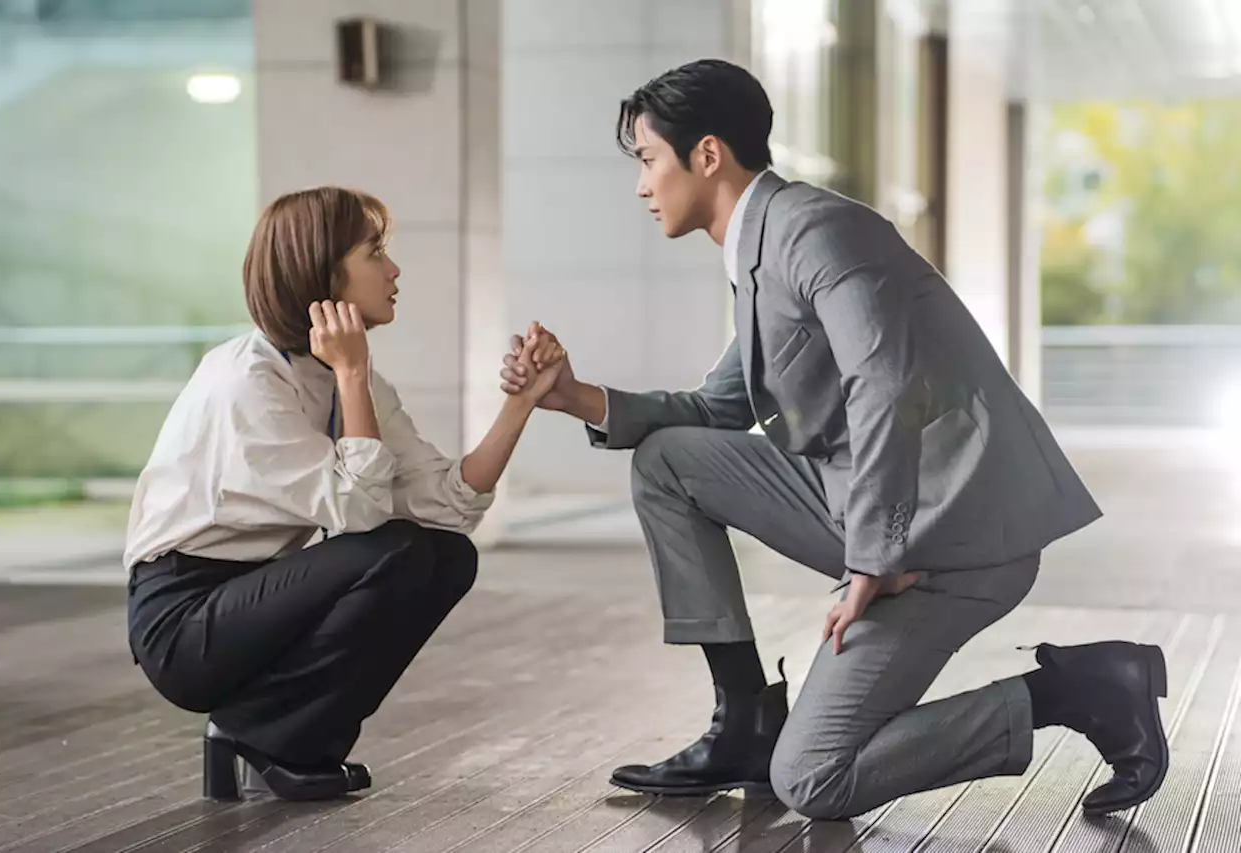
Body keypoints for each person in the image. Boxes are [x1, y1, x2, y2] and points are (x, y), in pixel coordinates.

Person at [501, 59, 1168, 820]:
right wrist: (571, 396)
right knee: (667, 460)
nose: (642, 184)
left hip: (954, 534)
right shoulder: (760, 249)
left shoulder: (819, 231)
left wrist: (871, 560)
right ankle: (743, 717)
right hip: (867, 501)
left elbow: (882, 385)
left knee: (815, 777)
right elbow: (715, 409)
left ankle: (1079, 689)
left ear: (708, 154)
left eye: (650, 159)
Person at [125, 186, 564, 802]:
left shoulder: (347, 380)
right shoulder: (245, 383)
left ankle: (270, 731)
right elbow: (359, 515)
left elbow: (448, 505)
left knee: (446, 557)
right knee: (394, 549)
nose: (394, 270)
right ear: (323, 272)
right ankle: (271, 736)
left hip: (262, 597)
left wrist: (521, 402)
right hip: (184, 622)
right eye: (375, 252)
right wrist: (352, 373)